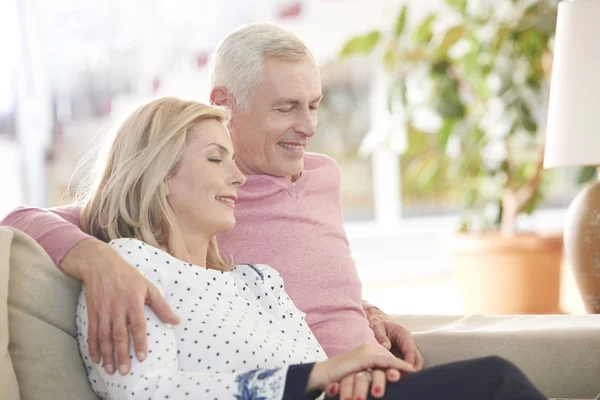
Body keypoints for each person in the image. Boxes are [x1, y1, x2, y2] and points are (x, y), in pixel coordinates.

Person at [0, 22, 424, 378]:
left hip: (382, 374)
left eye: (314, 105)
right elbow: (19, 219)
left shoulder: (323, 175)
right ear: (224, 103)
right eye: (286, 108)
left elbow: (315, 285)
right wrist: (95, 257)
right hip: (314, 385)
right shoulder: (196, 198)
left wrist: (369, 313)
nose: (308, 125)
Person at [74, 96, 546, 400]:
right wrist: (321, 375)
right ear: (155, 174)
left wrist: (347, 378)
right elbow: (143, 393)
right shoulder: (126, 271)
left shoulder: (256, 280)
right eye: (215, 159)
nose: (238, 177)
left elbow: (316, 376)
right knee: (495, 382)